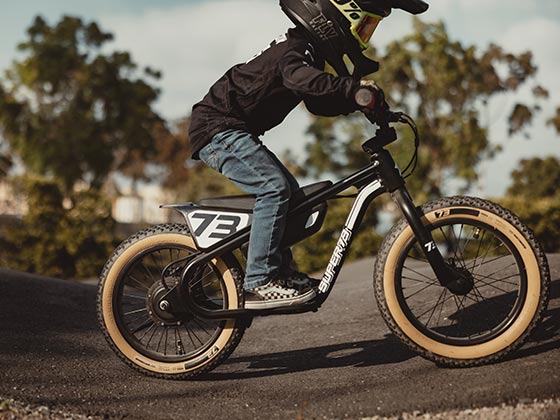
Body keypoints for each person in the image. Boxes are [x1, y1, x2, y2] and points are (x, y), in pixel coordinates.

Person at [188, 0, 425, 309]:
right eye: (365, 26)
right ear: (339, 16)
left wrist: (359, 102)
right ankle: (259, 280)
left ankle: (278, 271)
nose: (365, 36)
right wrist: (351, 89)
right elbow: (302, 80)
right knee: (274, 188)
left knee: (291, 198)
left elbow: (317, 101)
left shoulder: (304, 52)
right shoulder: (297, 49)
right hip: (219, 128)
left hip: (230, 128)